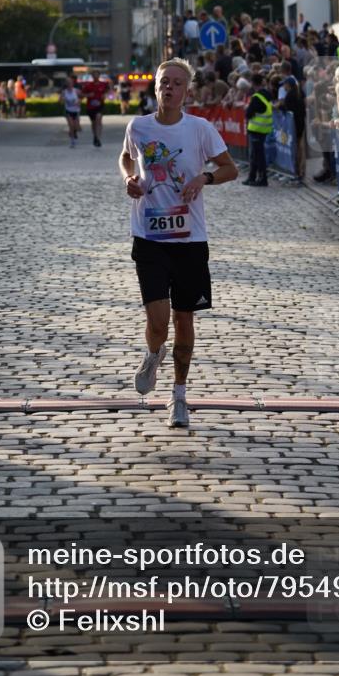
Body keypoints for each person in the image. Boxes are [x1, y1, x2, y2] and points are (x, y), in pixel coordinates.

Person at [119, 57, 238, 429]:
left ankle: (179, 396)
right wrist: (129, 179)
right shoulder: (138, 126)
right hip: (150, 236)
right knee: (158, 321)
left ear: (187, 91)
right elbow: (125, 158)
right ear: (155, 88)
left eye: (176, 83)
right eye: (163, 82)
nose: (168, 88)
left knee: (183, 318)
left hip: (189, 239)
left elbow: (229, 168)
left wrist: (203, 178)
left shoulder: (200, 129)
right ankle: (154, 353)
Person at [243, 72, 273, 187]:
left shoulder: (256, 97)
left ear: (253, 83)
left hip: (256, 129)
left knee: (257, 156)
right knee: (257, 155)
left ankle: (261, 179)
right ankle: (252, 177)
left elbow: (249, 113)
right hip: (264, 129)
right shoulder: (267, 94)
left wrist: (247, 108)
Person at [81, 69, 108, 147]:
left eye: (97, 75)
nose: (96, 76)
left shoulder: (103, 84)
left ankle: (98, 138)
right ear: (92, 76)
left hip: (100, 106)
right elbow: (82, 95)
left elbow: (109, 90)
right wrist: (88, 95)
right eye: (94, 75)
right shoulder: (88, 85)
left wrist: (105, 94)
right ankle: (95, 136)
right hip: (90, 107)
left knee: (98, 119)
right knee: (93, 123)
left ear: (99, 76)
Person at [62, 75, 82, 147]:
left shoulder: (76, 91)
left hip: (76, 111)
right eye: (68, 82)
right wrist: (62, 99)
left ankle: (74, 133)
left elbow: (81, 98)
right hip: (68, 110)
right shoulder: (64, 92)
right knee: (71, 125)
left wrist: (78, 102)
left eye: (70, 82)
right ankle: (72, 141)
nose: (69, 84)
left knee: (76, 127)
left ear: (73, 83)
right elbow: (60, 100)